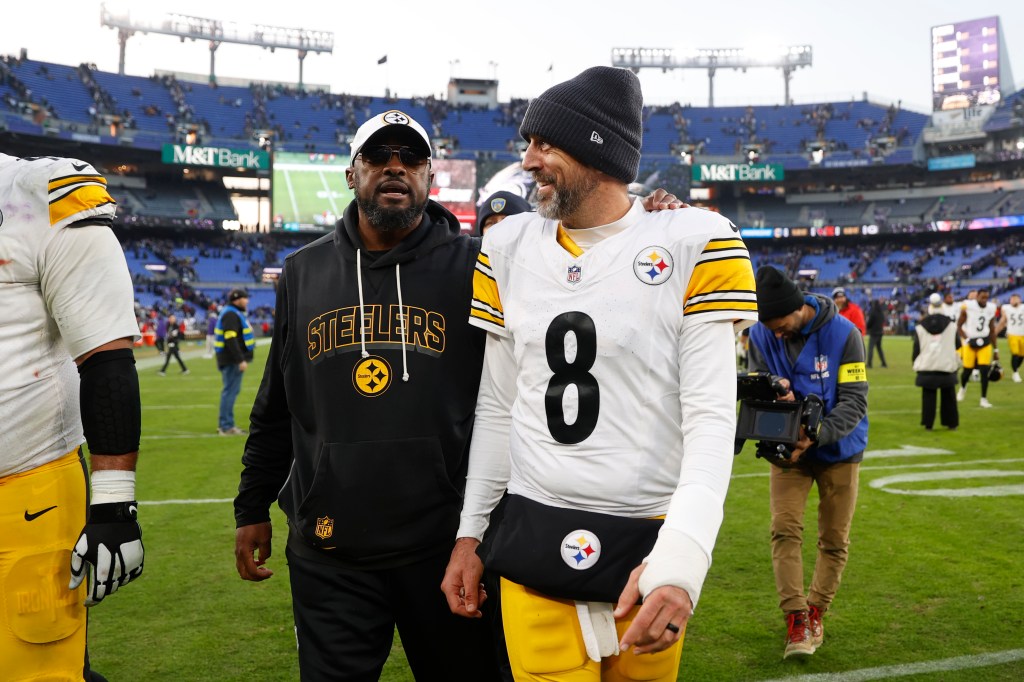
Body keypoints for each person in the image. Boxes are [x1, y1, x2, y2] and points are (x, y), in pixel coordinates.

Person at [442, 66, 758, 682]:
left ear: (597, 150)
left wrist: (684, 559)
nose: (528, 161)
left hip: (649, 545)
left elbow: (713, 423)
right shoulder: (505, 247)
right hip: (535, 535)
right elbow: (499, 407)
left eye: (545, 144)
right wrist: (471, 533)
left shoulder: (695, 240)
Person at [232, 110, 503, 681]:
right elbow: (277, 402)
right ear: (353, 174)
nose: (395, 168)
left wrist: (650, 217)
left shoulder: (480, 266)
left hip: (447, 547)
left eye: (411, 158)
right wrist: (252, 504)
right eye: (379, 157)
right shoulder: (303, 272)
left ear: (431, 176)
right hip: (331, 551)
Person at [0, 153, 145, 681]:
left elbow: (105, 357)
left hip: (23, 487)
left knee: (35, 673)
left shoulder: (37, 191)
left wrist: (114, 505)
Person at [747, 266, 868, 659]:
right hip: (786, 451)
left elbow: (854, 402)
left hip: (840, 450)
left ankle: (817, 610)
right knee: (784, 530)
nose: (776, 334)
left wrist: (814, 435)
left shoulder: (846, 335)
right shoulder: (762, 333)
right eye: (770, 328)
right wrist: (773, 397)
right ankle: (796, 617)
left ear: (797, 308)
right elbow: (759, 383)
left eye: (781, 326)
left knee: (834, 539)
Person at [912, 300, 960, 430]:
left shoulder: (920, 326)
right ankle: (951, 423)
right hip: (947, 365)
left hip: (927, 366)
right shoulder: (952, 325)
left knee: (928, 398)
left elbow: (916, 348)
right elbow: (958, 344)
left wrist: (916, 363)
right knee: (949, 397)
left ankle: (928, 424)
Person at [215, 288, 254, 435]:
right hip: (231, 360)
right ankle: (226, 426)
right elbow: (230, 338)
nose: (247, 301)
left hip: (230, 359)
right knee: (230, 392)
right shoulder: (231, 314)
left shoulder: (232, 312)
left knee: (231, 391)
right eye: (245, 298)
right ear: (237, 299)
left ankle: (226, 424)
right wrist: (240, 359)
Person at [956, 287, 997, 407]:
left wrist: (996, 349)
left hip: (984, 342)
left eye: (986, 297)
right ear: (977, 296)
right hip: (970, 342)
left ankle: (983, 399)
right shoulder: (968, 306)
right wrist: (967, 339)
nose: (984, 300)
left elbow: (992, 329)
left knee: (984, 371)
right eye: (982, 297)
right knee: (967, 371)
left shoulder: (991, 308)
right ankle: (963, 388)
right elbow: (959, 325)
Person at [996, 293, 1024, 383]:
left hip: (1022, 334)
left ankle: (1016, 369)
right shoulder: (1006, 308)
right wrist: (995, 332)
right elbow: (1003, 321)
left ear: (1020, 299)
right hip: (1012, 333)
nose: (1014, 300)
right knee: (1015, 353)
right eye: (1012, 299)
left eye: (1016, 299)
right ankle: (1015, 373)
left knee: (1022, 355)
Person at [865, 299, 887, 368]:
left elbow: (870, 322)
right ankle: (884, 363)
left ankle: (869, 364)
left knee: (870, 348)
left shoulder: (873, 312)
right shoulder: (881, 312)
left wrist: (867, 327)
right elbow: (883, 320)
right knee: (879, 348)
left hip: (874, 332)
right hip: (880, 332)